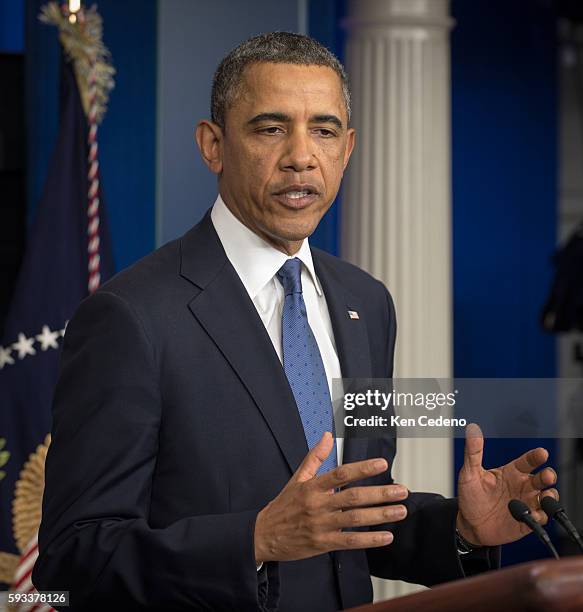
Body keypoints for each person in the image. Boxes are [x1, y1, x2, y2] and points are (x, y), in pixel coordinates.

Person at [33, 32, 559, 611]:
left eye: (325, 130)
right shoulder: (130, 317)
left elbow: (348, 514)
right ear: (213, 145)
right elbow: (73, 557)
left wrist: (459, 530)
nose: (302, 155)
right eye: (271, 127)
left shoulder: (367, 302)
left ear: (348, 148)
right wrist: (254, 540)